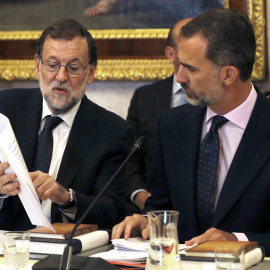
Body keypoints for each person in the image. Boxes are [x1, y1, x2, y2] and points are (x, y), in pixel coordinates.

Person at [112, 8, 270, 256]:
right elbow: (161, 205)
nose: (179, 77)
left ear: (228, 74)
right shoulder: (173, 125)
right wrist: (148, 222)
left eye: (190, 69)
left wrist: (236, 239)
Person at [0, 18, 133, 231]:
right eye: (52, 65)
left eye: (73, 67)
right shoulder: (5, 108)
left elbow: (114, 211)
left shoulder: (114, 132)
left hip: (63, 253)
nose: (61, 77)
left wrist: (67, 198)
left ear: (90, 73)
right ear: (37, 66)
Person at [125, 18, 192, 214]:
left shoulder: (213, 97)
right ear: (170, 54)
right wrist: (139, 195)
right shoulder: (144, 98)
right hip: (150, 209)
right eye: (186, 41)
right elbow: (128, 158)